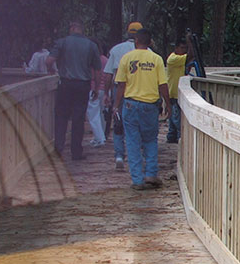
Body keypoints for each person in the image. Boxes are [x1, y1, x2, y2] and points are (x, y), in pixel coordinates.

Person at [113, 29, 167, 191]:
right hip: (150, 106)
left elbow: (121, 84)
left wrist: (116, 105)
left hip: (130, 105)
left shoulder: (127, 58)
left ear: (136, 40)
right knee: (150, 140)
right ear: (150, 42)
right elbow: (162, 84)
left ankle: (137, 179)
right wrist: (168, 103)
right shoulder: (156, 59)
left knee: (132, 142)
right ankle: (151, 173)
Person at [51, 22, 101, 161]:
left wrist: (54, 70)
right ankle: (76, 152)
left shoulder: (62, 42)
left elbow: (49, 60)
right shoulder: (91, 46)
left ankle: (58, 149)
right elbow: (97, 69)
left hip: (65, 84)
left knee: (61, 116)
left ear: (71, 29)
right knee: (78, 119)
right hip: (82, 85)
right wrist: (96, 88)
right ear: (82, 30)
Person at [104, 22, 141, 168]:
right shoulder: (147, 52)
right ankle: (135, 155)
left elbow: (108, 74)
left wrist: (106, 93)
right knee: (135, 124)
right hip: (138, 91)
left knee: (118, 120)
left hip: (118, 89)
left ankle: (119, 155)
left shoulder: (116, 50)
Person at [164, 40, 190, 144]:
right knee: (176, 118)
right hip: (174, 92)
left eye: (185, 48)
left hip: (175, 91)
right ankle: (180, 137)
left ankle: (171, 137)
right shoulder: (173, 59)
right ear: (176, 48)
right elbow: (189, 57)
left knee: (173, 117)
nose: (184, 50)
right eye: (182, 48)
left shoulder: (178, 59)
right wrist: (191, 44)